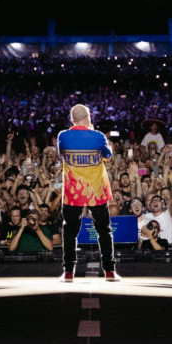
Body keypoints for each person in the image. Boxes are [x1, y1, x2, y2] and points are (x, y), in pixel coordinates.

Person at [58, 104, 119, 282]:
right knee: (104, 230)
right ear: (89, 117)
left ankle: (68, 272)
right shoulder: (98, 136)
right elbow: (107, 156)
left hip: (73, 191)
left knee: (69, 231)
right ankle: (109, 271)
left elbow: (61, 155)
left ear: (72, 119)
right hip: (95, 190)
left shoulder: (63, 136)